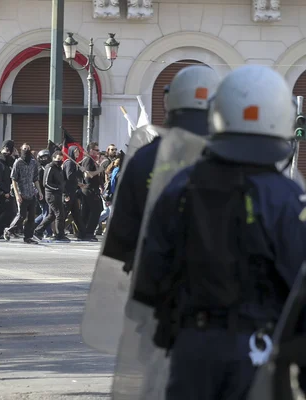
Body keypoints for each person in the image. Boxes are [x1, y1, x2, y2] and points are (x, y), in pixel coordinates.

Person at [135, 65, 306, 400]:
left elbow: (149, 275)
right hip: (261, 351)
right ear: (284, 118)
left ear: (217, 114)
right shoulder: (289, 199)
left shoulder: (179, 188)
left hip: (191, 349)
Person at [104, 65, 220, 273]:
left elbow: (120, 238)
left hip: (156, 286)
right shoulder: (233, 157)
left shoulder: (144, 158)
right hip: (220, 285)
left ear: (170, 101)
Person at [4, 143, 43, 244]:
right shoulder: (18, 162)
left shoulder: (33, 163)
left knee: (31, 217)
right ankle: (9, 230)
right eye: (24, 149)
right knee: (21, 215)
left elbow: (35, 179)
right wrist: (17, 194)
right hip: (22, 193)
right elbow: (14, 179)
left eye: (28, 149)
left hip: (31, 192)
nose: (26, 151)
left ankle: (28, 237)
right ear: (21, 150)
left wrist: (39, 191)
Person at [34, 150, 69, 242]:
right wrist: (57, 188)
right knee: (59, 214)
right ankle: (59, 234)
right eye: (58, 159)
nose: (60, 161)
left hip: (57, 194)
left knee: (52, 215)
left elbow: (61, 183)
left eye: (61, 159)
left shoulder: (59, 169)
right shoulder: (50, 167)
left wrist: (64, 193)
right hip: (51, 195)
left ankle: (38, 231)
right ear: (53, 158)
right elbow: (46, 183)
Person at [62, 146, 86, 240]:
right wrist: (80, 171)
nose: (77, 153)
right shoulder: (69, 163)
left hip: (73, 192)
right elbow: (70, 176)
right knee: (63, 214)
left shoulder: (73, 163)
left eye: (78, 152)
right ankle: (58, 233)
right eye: (75, 152)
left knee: (76, 214)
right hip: (68, 193)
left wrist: (78, 184)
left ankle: (82, 233)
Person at [34, 149, 53, 239]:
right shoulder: (39, 169)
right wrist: (40, 193)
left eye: (46, 157)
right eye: (43, 157)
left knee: (44, 213)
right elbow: (37, 183)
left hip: (48, 193)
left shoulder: (48, 168)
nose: (45, 159)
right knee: (46, 213)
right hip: (41, 194)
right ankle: (47, 231)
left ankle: (32, 225)